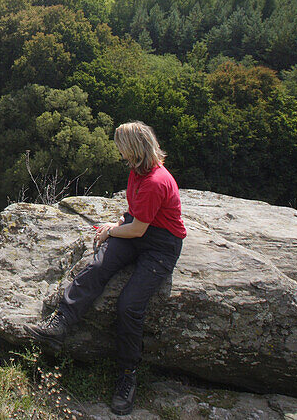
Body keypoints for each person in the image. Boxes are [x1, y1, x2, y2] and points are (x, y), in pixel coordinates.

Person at [27, 121, 186, 416]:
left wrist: (112, 231)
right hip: (139, 230)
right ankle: (60, 322)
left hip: (161, 245)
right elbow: (135, 217)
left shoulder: (155, 181)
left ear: (134, 149)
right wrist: (117, 226)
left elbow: (138, 229)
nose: (120, 154)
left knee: (129, 306)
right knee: (97, 267)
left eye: (122, 149)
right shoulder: (138, 172)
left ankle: (128, 375)